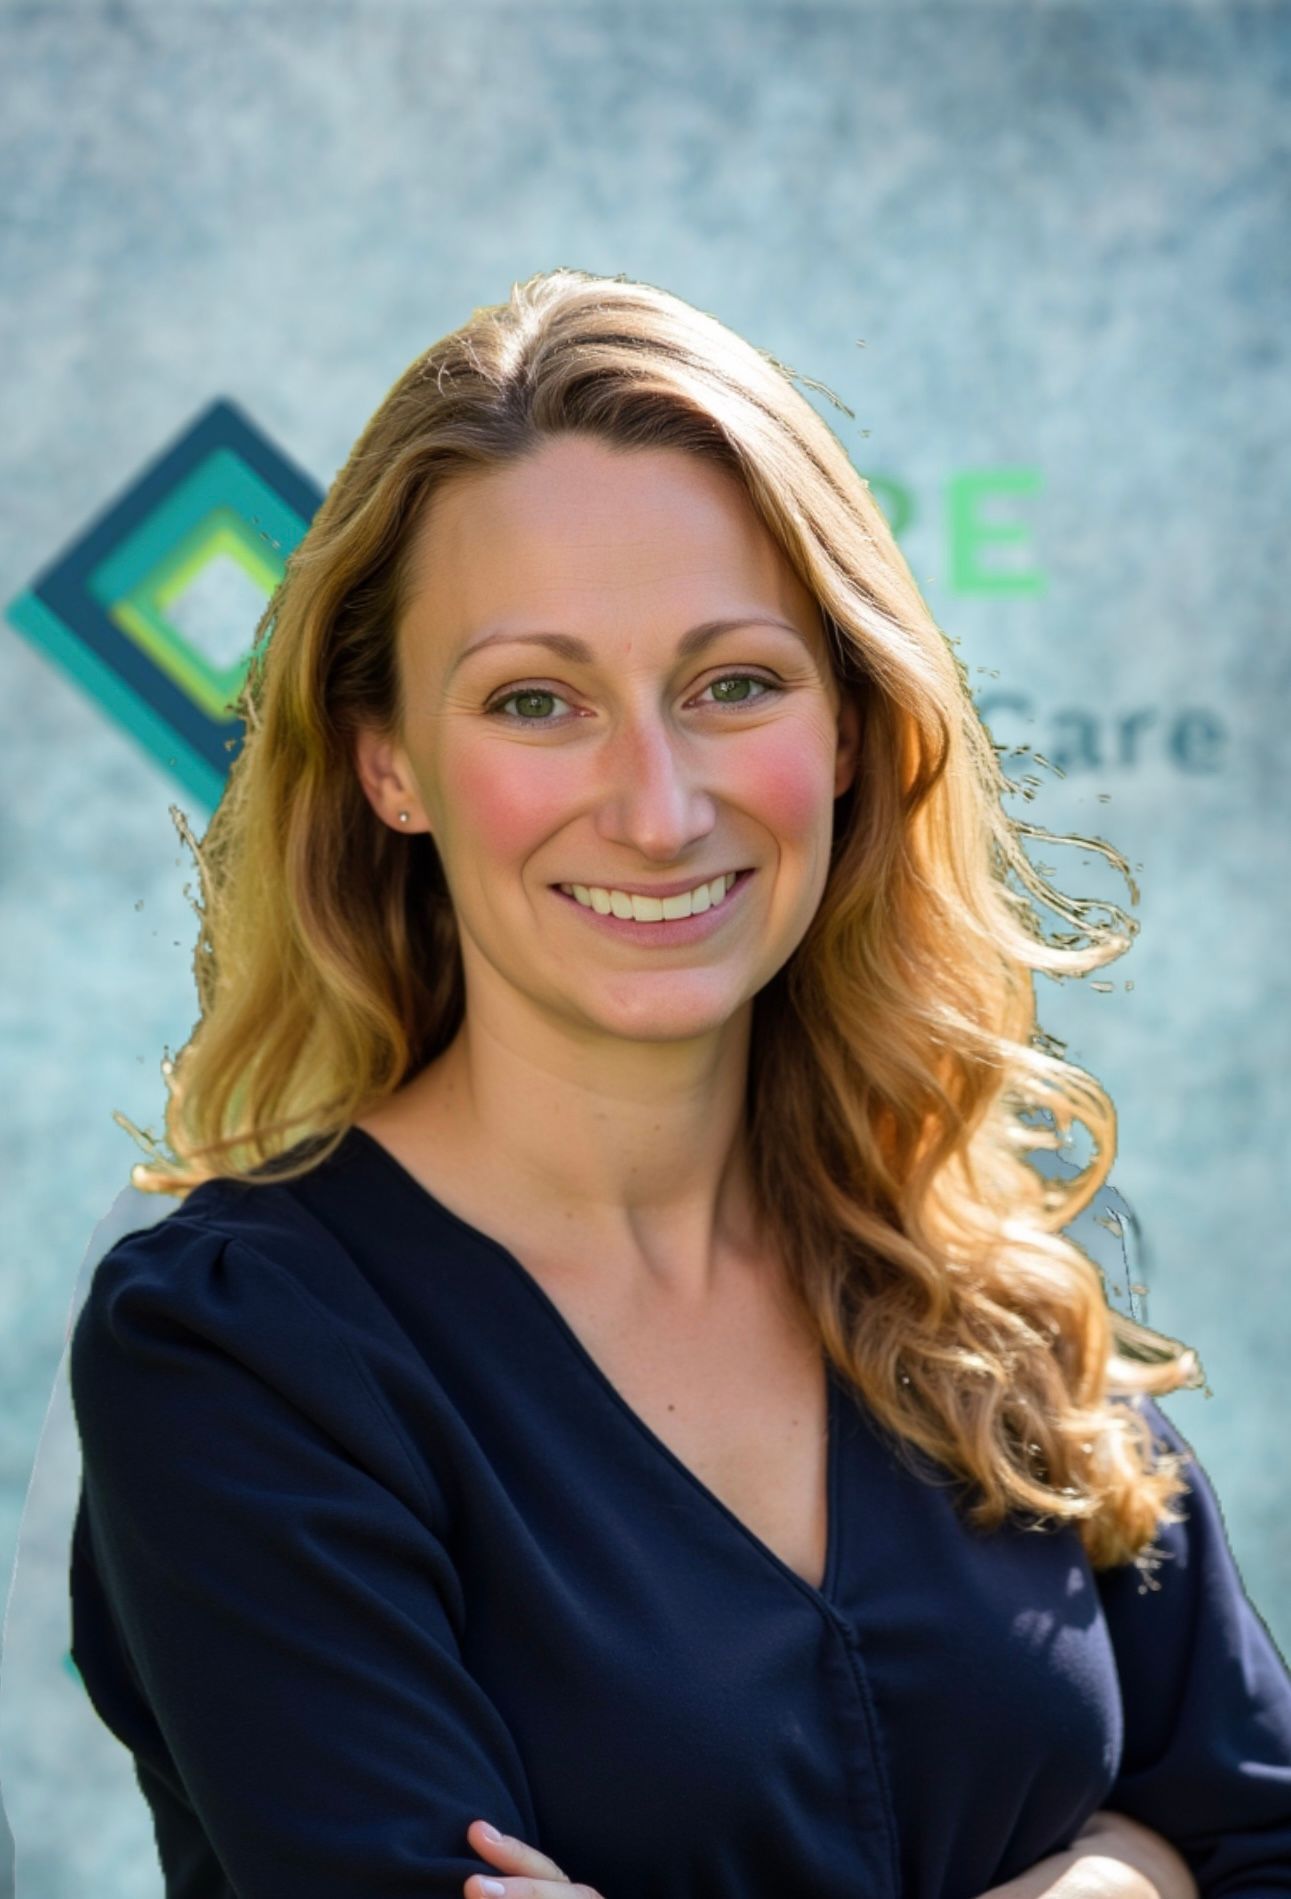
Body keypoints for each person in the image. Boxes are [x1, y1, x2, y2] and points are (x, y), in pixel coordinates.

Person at [67, 267, 1291, 1899]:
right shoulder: (237, 1351)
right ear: (388, 764)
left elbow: (1266, 1836)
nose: (657, 810)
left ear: (848, 729)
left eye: (734, 684)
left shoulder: (981, 1289)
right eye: (536, 701)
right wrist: (1125, 1873)